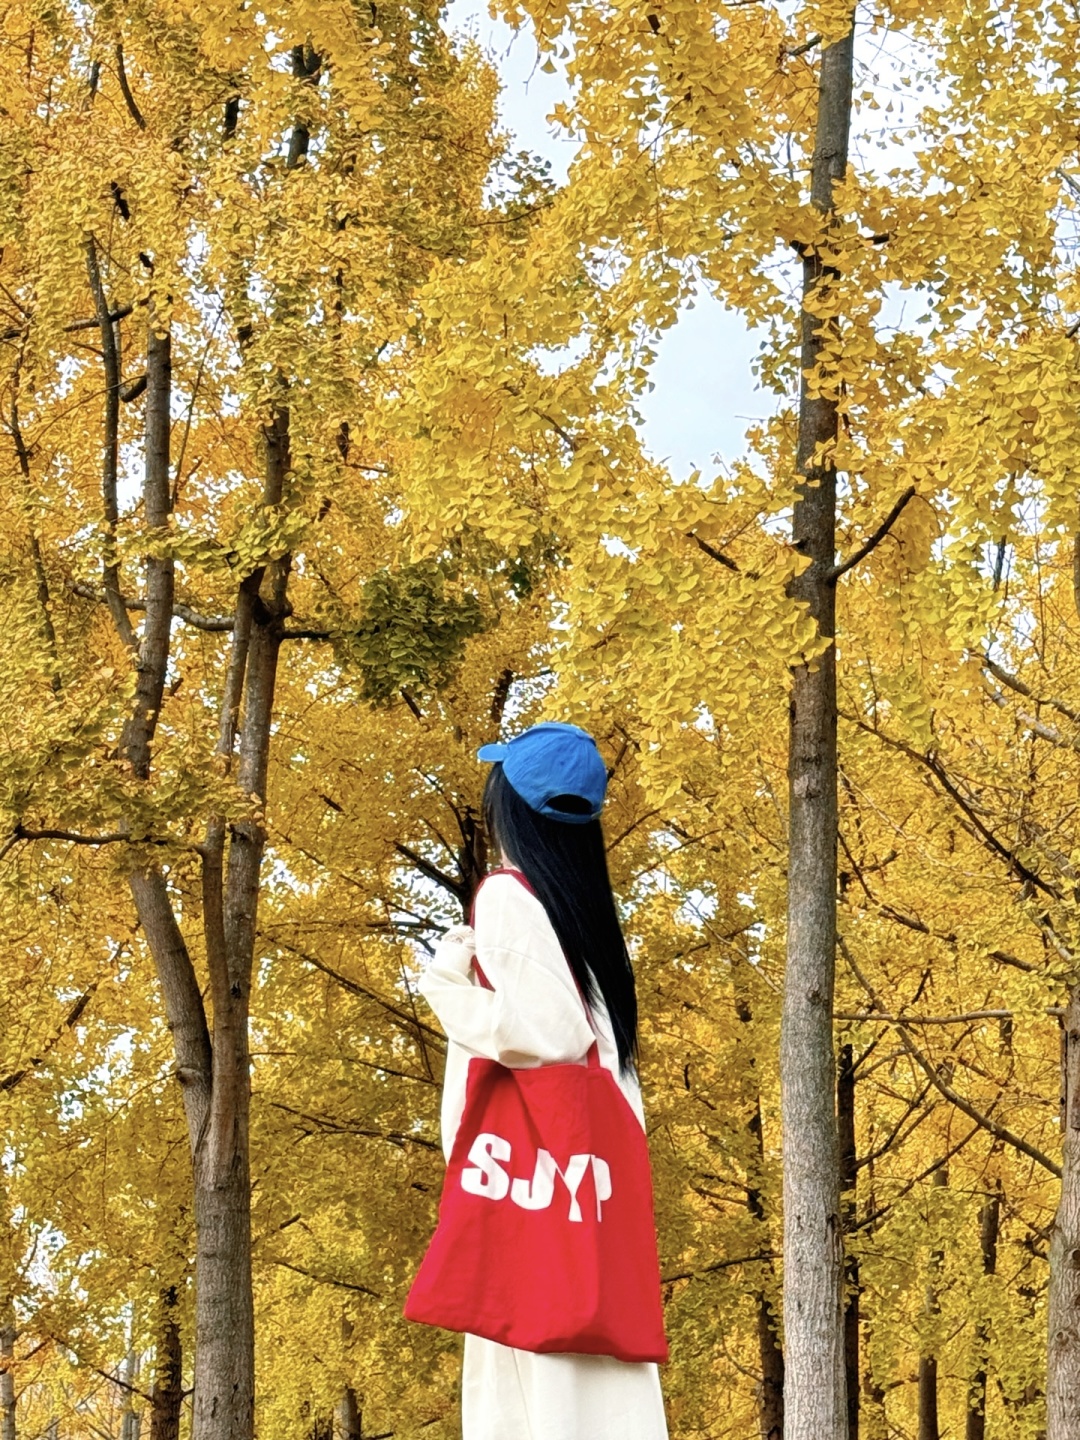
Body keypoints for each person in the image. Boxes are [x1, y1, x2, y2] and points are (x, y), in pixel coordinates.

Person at [417, 721, 669, 1440]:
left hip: (529, 1195)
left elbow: (550, 1035)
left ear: (513, 807)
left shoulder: (507, 896)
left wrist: (448, 987)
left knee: (530, 1395)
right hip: (588, 1191)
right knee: (600, 1391)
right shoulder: (587, 919)